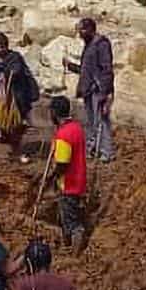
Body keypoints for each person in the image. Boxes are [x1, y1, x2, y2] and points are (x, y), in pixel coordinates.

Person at [63, 18, 115, 163]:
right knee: (91, 122)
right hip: (89, 89)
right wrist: (71, 66)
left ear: (91, 29)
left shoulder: (101, 44)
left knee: (101, 121)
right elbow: (86, 70)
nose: (80, 33)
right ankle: (92, 150)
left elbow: (107, 69)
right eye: (79, 30)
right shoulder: (89, 45)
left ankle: (106, 152)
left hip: (98, 89)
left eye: (83, 30)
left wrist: (105, 93)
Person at [0, 32, 39, 164]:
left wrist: (3, 66)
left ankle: (21, 151)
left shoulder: (15, 57)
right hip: (3, 98)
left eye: (3, 46)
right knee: (6, 124)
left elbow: (16, 72)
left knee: (17, 124)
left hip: (17, 97)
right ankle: (14, 150)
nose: (1, 49)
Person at [45, 96, 88, 253]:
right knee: (68, 213)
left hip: (69, 183)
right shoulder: (76, 128)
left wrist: (51, 177)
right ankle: (67, 243)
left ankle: (76, 248)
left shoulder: (64, 136)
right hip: (79, 178)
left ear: (55, 113)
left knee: (71, 219)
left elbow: (62, 164)